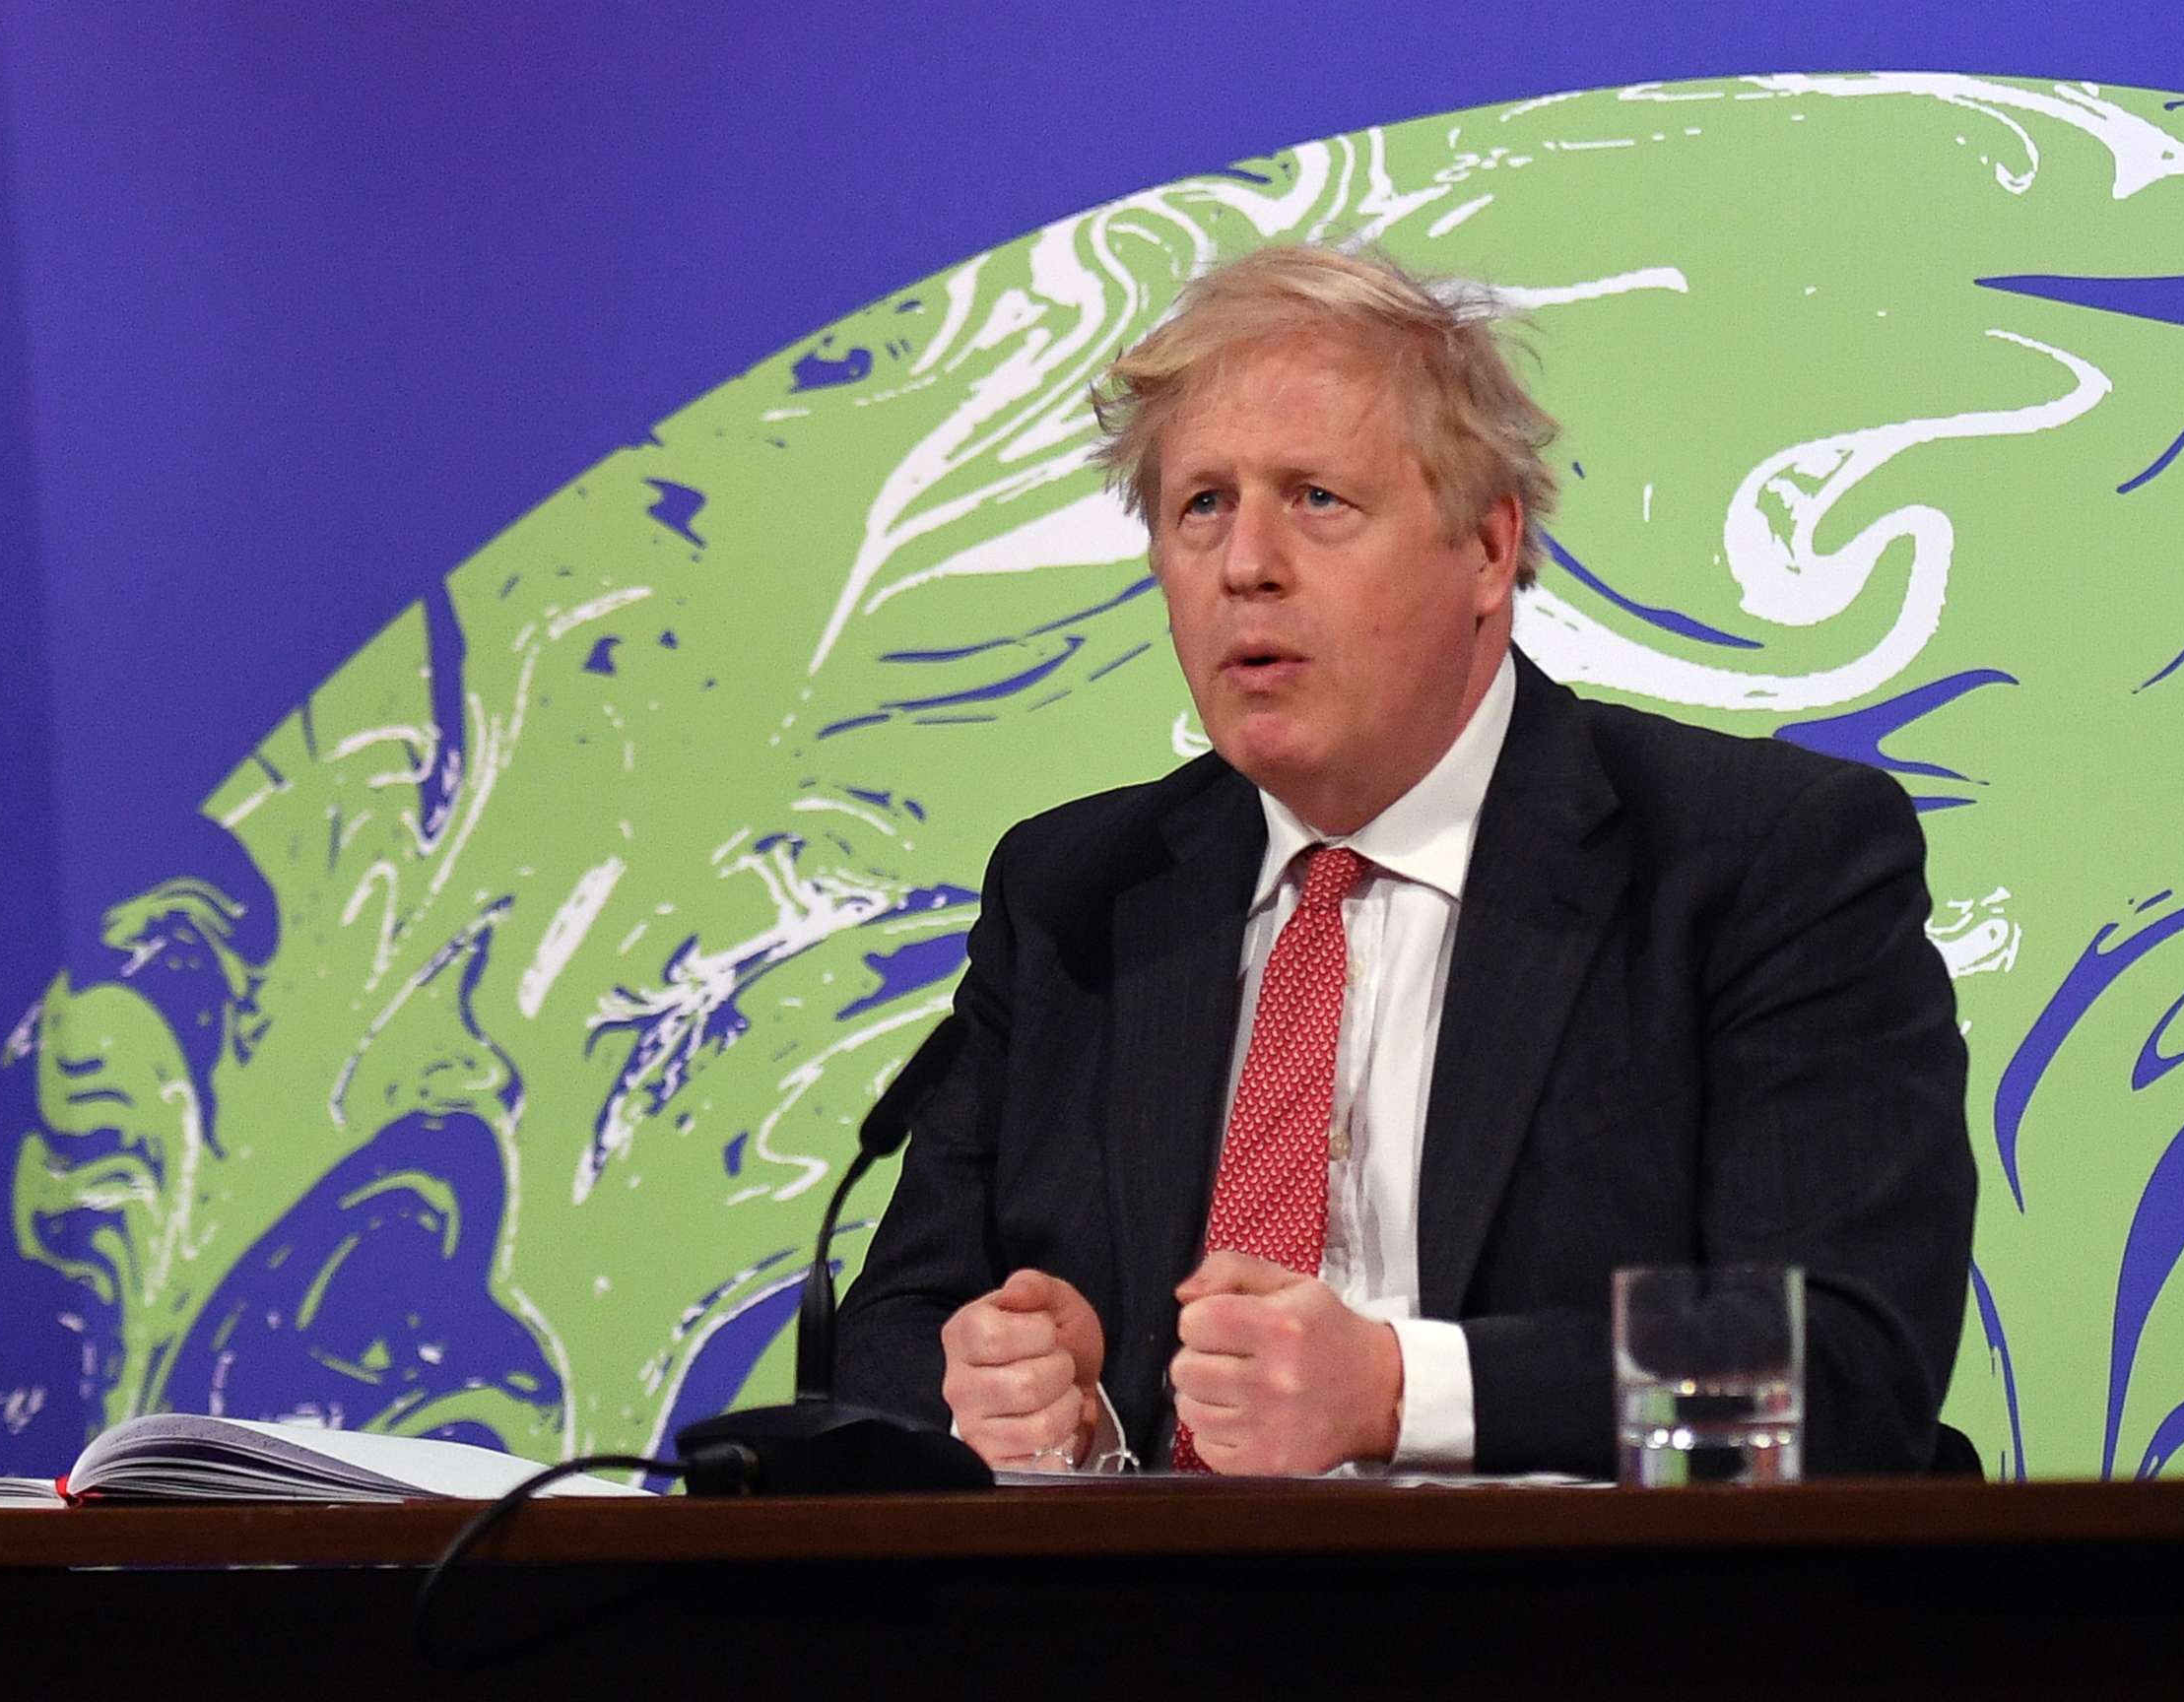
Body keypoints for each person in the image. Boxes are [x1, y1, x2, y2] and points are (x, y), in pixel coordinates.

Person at [833, 244, 1974, 1477]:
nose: (1245, 563)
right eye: (1200, 505)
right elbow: (889, 1337)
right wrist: (1014, 1400)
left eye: (1316, 499)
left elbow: (1846, 1370)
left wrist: (1394, 1390)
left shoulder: (1753, 862)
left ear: (1488, 550)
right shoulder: (1077, 896)